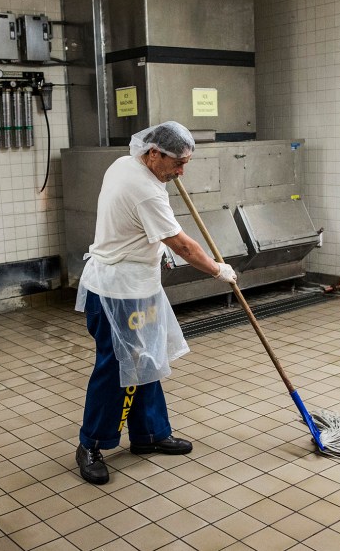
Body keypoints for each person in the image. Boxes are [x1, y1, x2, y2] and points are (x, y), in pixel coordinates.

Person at [74, 121, 238, 485]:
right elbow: (182, 245)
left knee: (147, 357)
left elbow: (138, 228)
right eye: (177, 163)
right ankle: (90, 445)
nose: (181, 172)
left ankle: (149, 434)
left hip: (138, 286)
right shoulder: (145, 189)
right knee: (115, 368)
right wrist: (217, 270)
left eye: (185, 164)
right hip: (116, 292)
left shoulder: (123, 164)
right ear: (153, 153)